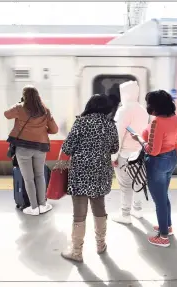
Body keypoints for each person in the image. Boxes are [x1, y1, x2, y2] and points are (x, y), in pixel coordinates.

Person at [60, 94, 119, 262]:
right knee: (99, 207)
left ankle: (76, 252)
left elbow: (67, 147)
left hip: (80, 171)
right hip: (101, 171)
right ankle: (101, 245)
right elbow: (114, 149)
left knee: (79, 212)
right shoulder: (110, 125)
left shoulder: (81, 122)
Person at [132, 90, 177, 247]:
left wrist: (140, 140)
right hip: (172, 157)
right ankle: (167, 227)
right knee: (164, 196)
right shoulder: (174, 118)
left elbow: (152, 150)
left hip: (158, 161)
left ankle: (162, 237)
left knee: (159, 200)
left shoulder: (157, 122)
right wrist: (168, 142)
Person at [5, 85, 58, 215]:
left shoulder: (19, 108)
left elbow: (6, 114)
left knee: (28, 178)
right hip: (40, 148)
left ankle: (33, 208)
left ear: (24, 96)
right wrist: (41, 131)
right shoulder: (45, 110)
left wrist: (19, 103)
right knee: (40, 176)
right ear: (38, 96)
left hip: (23, 148)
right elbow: (54, 130)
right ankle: (43, 205)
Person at [111, 81, 149, 224]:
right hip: (138, 153)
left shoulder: (123, 110)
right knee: (138, 182)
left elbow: (119, 135)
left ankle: (125, 214)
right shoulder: (142, 110)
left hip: (125, 154)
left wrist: (114, 155)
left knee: (125, 185)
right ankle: (137, 210)